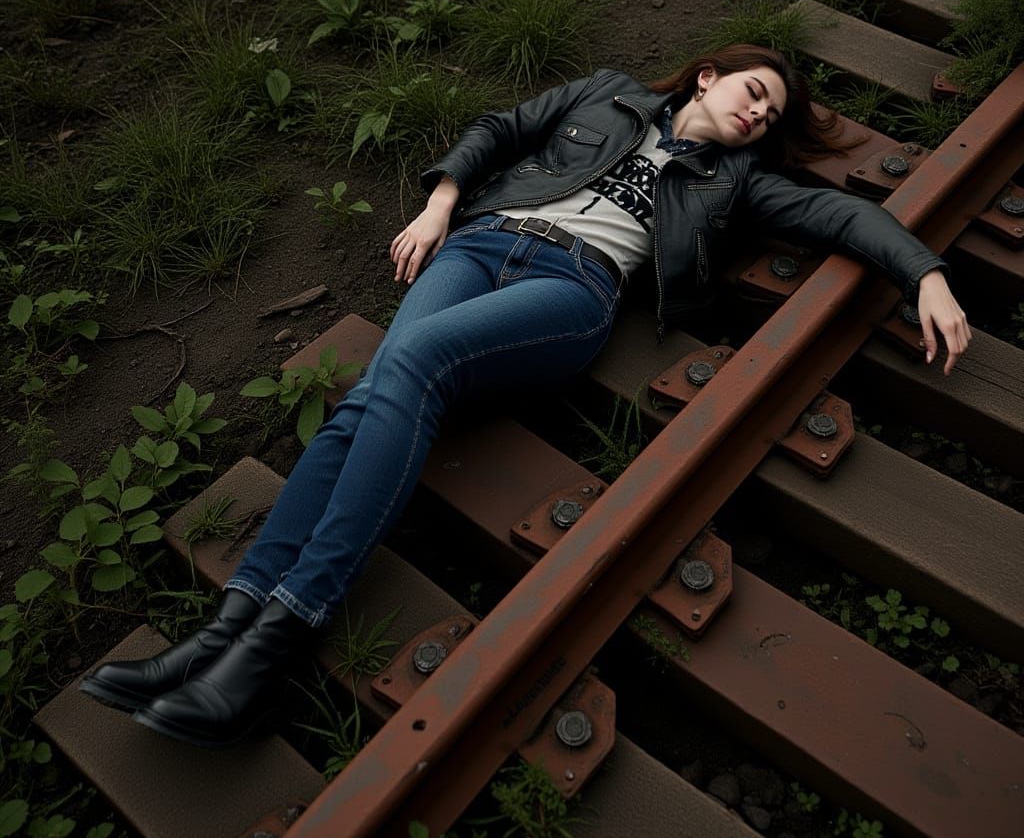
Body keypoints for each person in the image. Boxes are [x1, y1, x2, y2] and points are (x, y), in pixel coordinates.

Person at [80, 44, 971, 747]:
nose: (755, 114)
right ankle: (228, 632)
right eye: (752, 91)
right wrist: (440, 203)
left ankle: (271, 641)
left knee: (412, 359)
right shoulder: (607, 94)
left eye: (768, 115)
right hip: (478, 245)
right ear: (708, 76)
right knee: (369, 399)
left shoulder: (735, 183)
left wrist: (923, 273)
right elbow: (502, 127)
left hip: (572, 288)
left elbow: (843, 217)